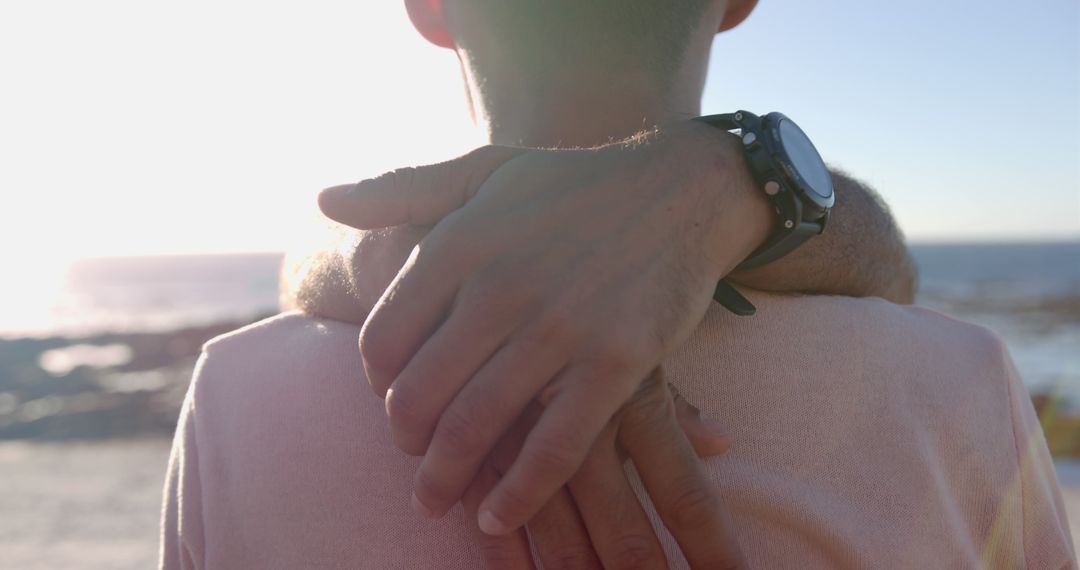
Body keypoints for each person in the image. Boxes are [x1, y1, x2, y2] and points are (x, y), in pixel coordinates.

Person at [161, 1, 1074, 568]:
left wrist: (385, 248)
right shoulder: (957, 381)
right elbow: (895, 274)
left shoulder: (235, 396)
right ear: (738, 4)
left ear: (427, 9)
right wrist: (741, 172)